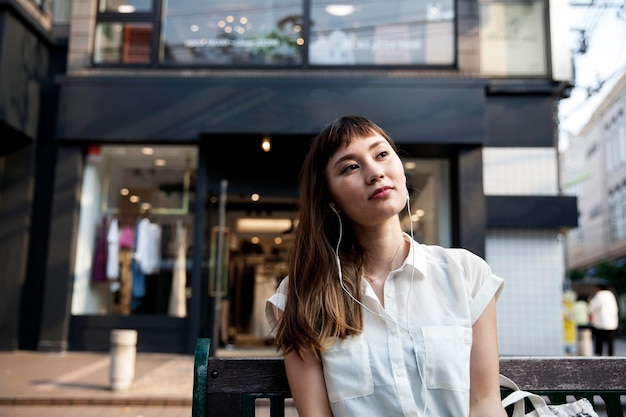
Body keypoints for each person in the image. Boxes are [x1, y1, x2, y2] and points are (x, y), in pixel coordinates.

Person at [265, 115, 506, 416]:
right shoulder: (302, 294)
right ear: (331, 200)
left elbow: (484, 403)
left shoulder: (467, 274)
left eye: (381, 154)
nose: (375, 172)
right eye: (350, 167)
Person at [588, 284, 619, 356]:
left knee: (599, 340)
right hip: (611, 322)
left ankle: (599, 355)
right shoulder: (611, 295)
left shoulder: (599, 295)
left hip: (601, 322)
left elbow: (593, 307)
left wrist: (590, 302)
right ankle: (611, 355)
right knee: (610, 340)